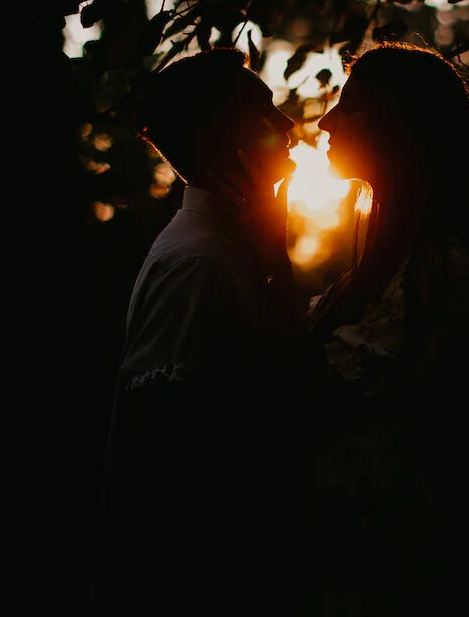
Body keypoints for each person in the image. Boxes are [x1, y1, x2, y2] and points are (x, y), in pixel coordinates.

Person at [224, 41, 469, 615]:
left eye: (351, 105)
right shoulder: (381, 264)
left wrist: (272, 257)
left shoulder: (433, 269)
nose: (326, 120)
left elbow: (300, 400)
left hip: (375, 552)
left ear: (398, 126)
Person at [90, 47, 301, 616]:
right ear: (218, 136)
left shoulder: (233, 248)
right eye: (265, 111)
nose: (287, 125)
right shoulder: (199, 263)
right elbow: (162, 458)